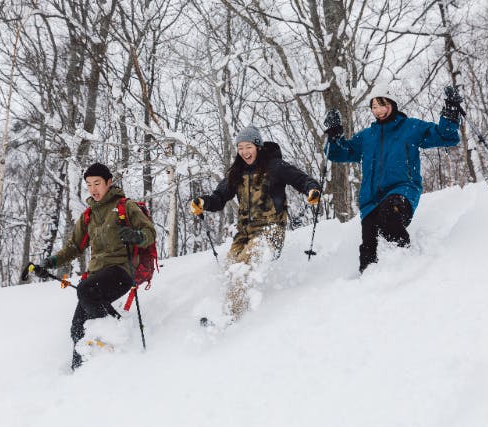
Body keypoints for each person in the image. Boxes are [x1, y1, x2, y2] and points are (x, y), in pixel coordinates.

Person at [324, 84, 463, 273]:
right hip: (371, 201)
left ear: (392, 104)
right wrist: (334, 133)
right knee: (368, 249)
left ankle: (407, 265)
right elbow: (338, 153)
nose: (378, 111)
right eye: (374, 106)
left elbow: (446, 136)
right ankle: (368, 285)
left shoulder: (409, 127)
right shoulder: (367, 136)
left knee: (389, 216)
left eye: (382, 105)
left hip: (402, 189)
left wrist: (451, 110)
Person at [190, 126, 322, 321]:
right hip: (245, 233)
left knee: (242, 267)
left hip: (271, 230)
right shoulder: (237, 172)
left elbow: (301, 179)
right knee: (230, 268)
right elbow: (219, 198)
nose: (244, 152)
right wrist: (203, 202)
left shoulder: (274, 166)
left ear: (258, 146)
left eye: (248, 146)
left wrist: (312, 190)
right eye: (240, 147)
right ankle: (230, 312)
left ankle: (231, 319)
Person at [36, 162, 156, 370]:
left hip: (121, 271)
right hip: (96, 275)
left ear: (109, 182)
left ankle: (118, 329)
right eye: (89, 184)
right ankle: (80, 373)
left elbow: (150, 233)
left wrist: (136, 236)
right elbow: (74, 246)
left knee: (86, 289)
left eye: (97, 183)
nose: (93, 189)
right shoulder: (88, 215)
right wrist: (51, 262)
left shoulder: (125, 207)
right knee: (76, 328)